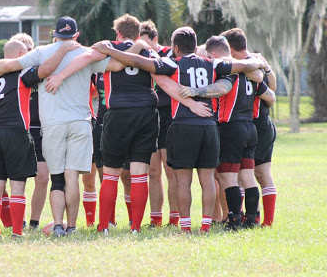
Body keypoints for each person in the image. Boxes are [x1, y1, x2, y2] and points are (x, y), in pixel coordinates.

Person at [92, 26, 266, 233]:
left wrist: (112, 50)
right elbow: (231, 78)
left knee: (182, 179)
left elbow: (139, 62)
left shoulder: (171, 63)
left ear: (175, 47)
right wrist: (257, 62)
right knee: (208, 178)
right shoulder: (213, 63)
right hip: (209, 126)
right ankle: (206, 225)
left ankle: (184, 226)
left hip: (183, 125)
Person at [0, 16, 112, 236]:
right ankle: (72, 227)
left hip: (52, 123)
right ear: (76, 35)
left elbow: (11, 64)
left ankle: (58, 225)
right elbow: (117, 64)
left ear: (54, 34)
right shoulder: (84, 53)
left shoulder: (42, 52)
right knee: (73, 177)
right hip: (80, 121)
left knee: (57, 178)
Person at [0, 39, 79, 237]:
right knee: (18, 186)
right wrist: (63, 50)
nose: (29, 55)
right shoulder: (23, 73)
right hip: (16, 133)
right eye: (26, 52)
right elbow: (46, 68)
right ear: (19, 55)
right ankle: (17, 232)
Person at [179, 35, 275, 230]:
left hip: (231, 127)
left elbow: (223, 88)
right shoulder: (250, 71)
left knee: (227, 177)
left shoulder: (225, 69)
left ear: (214, 54)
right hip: (250, 127)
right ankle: (251, 219)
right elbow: (270, 95)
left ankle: (234, 220)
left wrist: (195, 91)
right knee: (247, 176)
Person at [221, 28, 278, 227]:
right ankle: (249, 216)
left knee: (260, 173)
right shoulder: (251, 62)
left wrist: (265, 69)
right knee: (244, 173)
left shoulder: (253, 63)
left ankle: (265, 221)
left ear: (230, 47)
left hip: (258, 122)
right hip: (249, 123)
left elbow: (271, 92)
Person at [139, 20, 180, 227]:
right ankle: (155, 218)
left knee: (170, 170)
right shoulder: (136, 56)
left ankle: (175, 218)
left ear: (155, 40)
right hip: (147, 116)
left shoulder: (169, 54)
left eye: (146, 43)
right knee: (152, 171)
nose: (143, 48)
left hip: (168, 115)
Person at [11, 33, 48, 230]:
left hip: (41, 130)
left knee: (42, 178)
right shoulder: (10, 72)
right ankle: (20, 221)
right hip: (20, 130)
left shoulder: (40, 71)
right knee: (18, 180)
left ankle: (34, 222)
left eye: (27, 49)